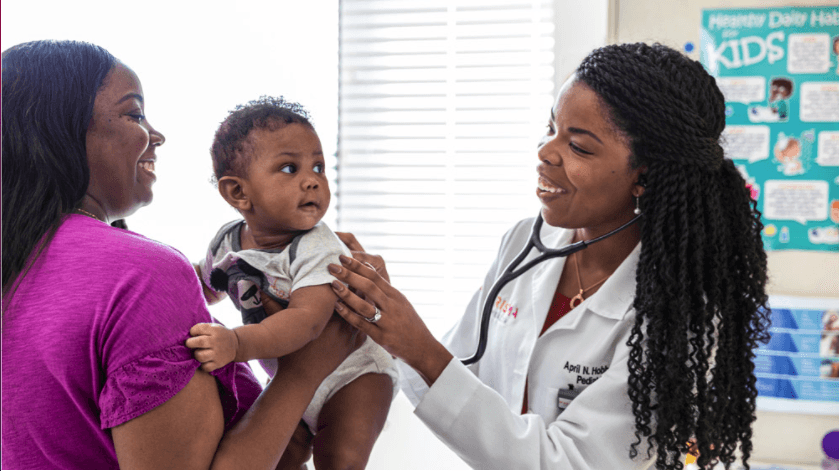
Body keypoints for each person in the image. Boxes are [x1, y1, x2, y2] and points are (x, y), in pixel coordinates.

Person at [328, 43, 770, 469]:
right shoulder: (525, 241)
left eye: (578, 146)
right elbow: (456, 372)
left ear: (645, 176)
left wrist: (418, 347)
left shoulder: (679, 312)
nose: (544, 152)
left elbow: (567, 462)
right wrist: (374, 310)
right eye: (551, 128)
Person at [1, 39, 361, 469]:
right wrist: (304, 371)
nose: (157, 135)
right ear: (60, 129)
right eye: (134, 113)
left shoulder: (20, 262)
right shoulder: (141, 275)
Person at [186, 97, 397, 469]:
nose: (312, 180)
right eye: (289, 167)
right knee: (278, 458)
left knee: (340, 458)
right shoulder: (226, 243)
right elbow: (203, 285)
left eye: (318, 166)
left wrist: (236, 343)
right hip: (290, 376)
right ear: (238, 193)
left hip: (354, 375)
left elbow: (307, 321)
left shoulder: (318, 247)